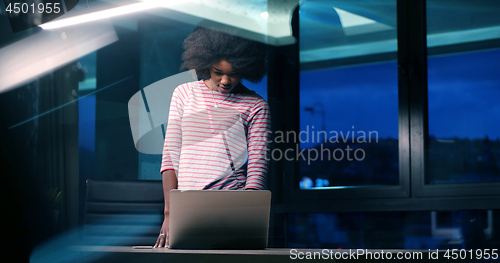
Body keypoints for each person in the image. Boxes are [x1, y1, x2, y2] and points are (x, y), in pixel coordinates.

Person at [154, 26, 271, 248]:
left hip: (232, 206)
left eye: (234, 73)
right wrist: (169, 213)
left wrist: (248, 219)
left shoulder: (256, 105)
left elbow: (257, 168)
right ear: (206, 63)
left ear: (246, 67)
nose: (226, 81)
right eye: (218, 72)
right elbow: (170, 157)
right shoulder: (184, 94)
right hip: (186, 205)